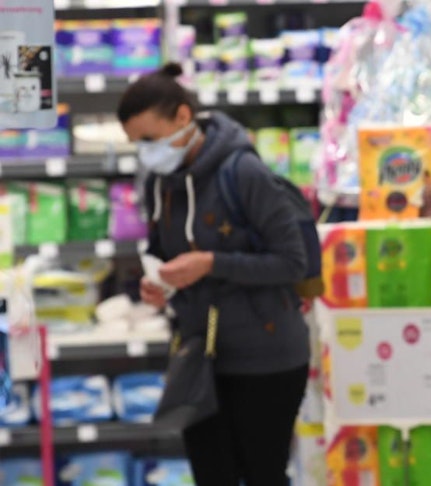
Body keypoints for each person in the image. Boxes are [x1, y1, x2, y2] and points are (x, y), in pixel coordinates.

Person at [117, 63, 310, 486]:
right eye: (136, 144)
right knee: (211, 476)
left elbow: (292, 262)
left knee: (262, 474)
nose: (145, 152)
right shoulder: (159, 182)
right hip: (199, 359)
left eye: (149, 139)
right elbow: (161, 250)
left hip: (267, 357)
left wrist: (210, 263)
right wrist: (157, 283)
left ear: (183, 118)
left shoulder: (242, 172)